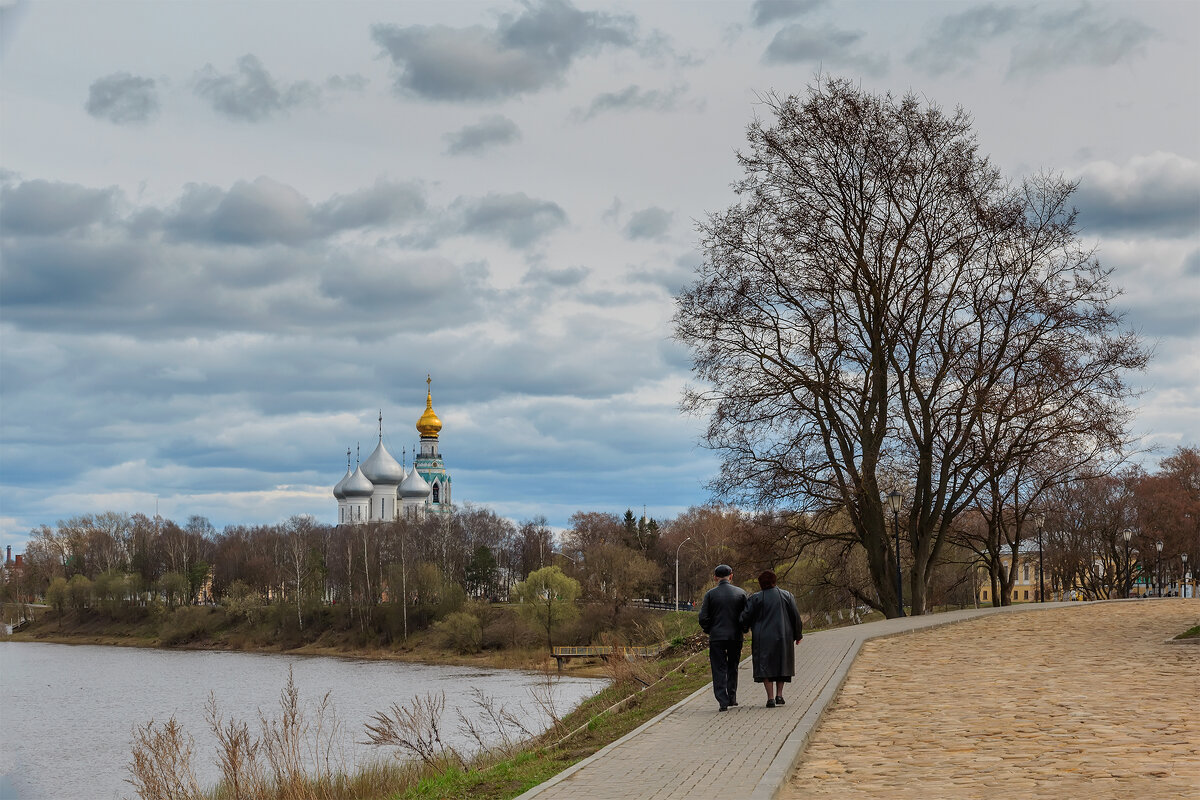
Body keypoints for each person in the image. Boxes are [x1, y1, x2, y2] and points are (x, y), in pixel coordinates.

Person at [739, 569, 802, 708]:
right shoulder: (787, 595)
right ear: (775, 581)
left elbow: (745, 617)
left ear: (761, 583)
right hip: (784, 636)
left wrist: (744, 629)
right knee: (782, 664)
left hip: (763, 638)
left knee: (765, 665)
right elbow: (795, 617)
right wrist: (798, 635)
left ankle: (770, 698)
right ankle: (780, 695)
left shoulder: (755, 598)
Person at [698, 564, 747, 712]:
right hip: (735, 636)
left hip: (717, 636)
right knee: (733, 666)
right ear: (731, 576)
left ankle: (722, 700)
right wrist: (743, 629)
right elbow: (746, 615)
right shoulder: (741, 593)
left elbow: (703, 617)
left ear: (715, 577)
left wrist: (709, 629)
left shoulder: (710, 594)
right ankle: (732, 696)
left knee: (718, 668)